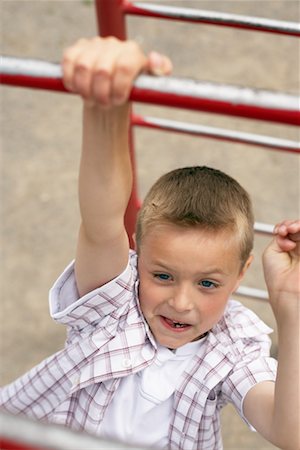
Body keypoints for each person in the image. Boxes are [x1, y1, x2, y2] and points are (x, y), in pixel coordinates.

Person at [1, 37, 299, 450]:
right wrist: (107, 103)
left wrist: (293, 308)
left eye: (207, 284)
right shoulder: (114, 303)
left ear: (241, 274)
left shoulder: (233, 348)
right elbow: (102, 218)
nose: (180, 302)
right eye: (162, 275)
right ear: (137, 256)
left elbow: (291, 433)